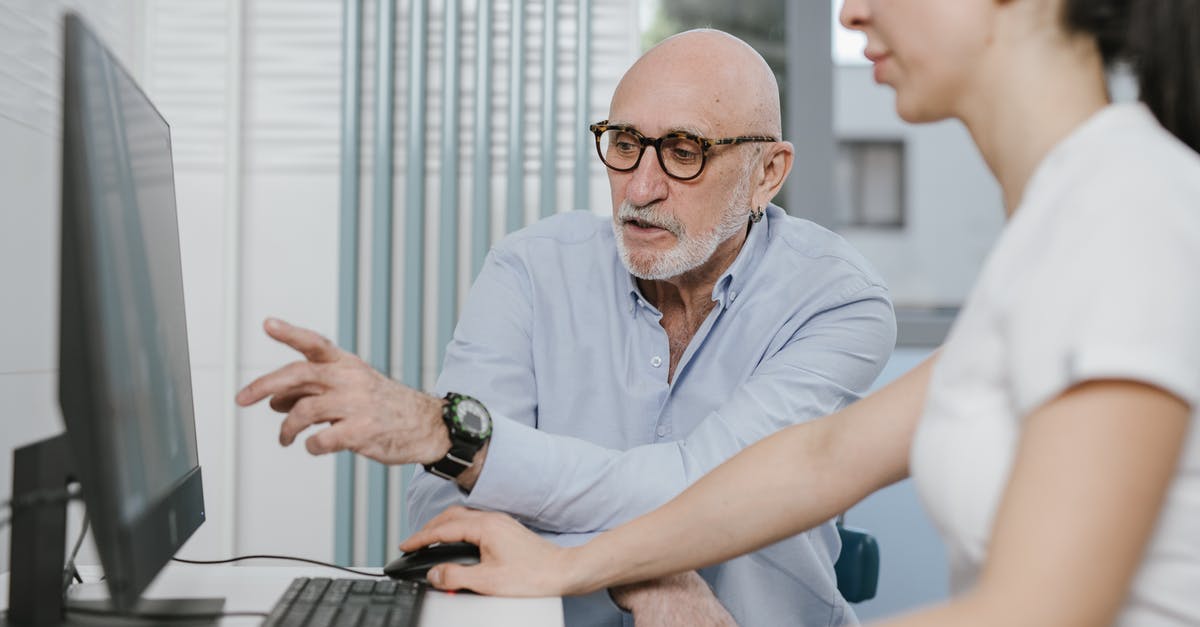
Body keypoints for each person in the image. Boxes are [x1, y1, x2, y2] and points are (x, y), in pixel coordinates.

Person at [401, 0, 1200, 625]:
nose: (850, 13)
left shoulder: (1125, 205)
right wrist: (581, 568)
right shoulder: (1055, 227)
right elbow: (819, 459)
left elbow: (1046, 611)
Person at [236, 30, 897, 627]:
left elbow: (701, 490)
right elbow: (446, 514)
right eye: (626, 143)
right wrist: (642, 575)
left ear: (768, 174)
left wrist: (456, 437)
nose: (639, 186)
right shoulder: (530, 268)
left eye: (684, 151)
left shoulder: (836, 301)